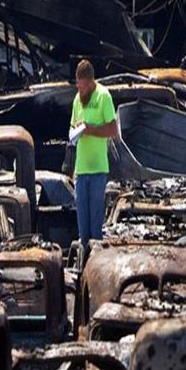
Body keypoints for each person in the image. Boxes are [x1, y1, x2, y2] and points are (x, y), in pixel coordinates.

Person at [70, 59, 117, 263]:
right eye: (78, 86)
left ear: (90, 82)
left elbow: (113, 130)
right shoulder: (77, 99)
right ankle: (83, 267)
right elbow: (72, 127)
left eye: (83, 87)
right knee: (83, 229)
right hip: (81, 170)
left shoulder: (103, 96)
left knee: (95, 228)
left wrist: (90, 129)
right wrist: (78, 130)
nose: (80, 90)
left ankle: (96, 265)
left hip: (98, 170)